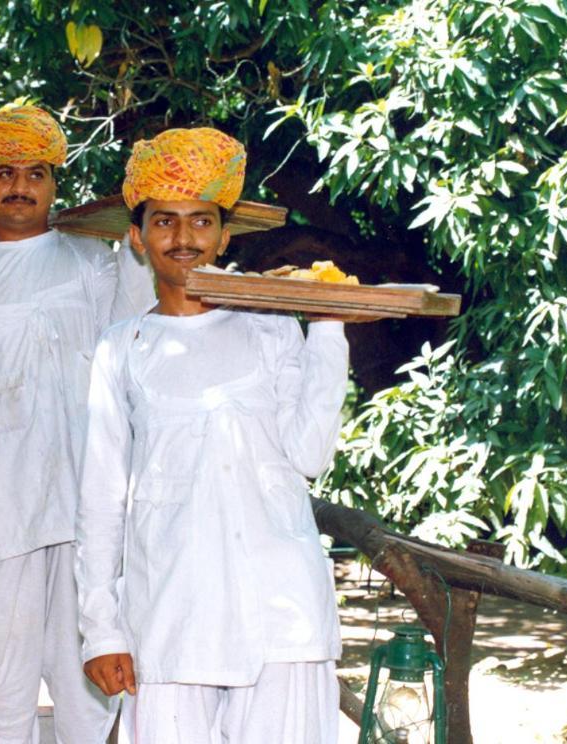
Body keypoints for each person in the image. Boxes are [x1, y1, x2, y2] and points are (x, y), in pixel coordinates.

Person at [76, 128, 352, 743]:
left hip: (281, 608)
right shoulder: (121, 349)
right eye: (164, 221)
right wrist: (102, 629)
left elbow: (310, 455)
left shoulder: (271, 327)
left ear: (224, 235)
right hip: (173, 613)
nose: (183, 238)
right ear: (138, 237)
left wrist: (329, 328)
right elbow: (99, 501)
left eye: (201, 221)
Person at [0, 104, 154, 743]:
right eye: (5, 172)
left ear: (53, 183)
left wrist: (138, 240)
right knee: (0, 677)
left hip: (88, 507)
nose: (20, 185)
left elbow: (141, 332)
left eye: (35, 172)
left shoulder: (97, 262)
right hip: (2, 508)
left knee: (89, 684)